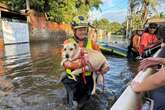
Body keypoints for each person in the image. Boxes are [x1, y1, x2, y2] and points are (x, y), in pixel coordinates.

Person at [61, 16, 109, 108]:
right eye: (79, 29)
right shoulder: (68, 42)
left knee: (85, 102)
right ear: (74, 30)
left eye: (84, 29)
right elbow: (65, 62)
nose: (82, 32)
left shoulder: (92, 43)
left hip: (89, 78)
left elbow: (100, 57)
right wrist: (79, 63)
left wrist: (103, 68)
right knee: (71, 104)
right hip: (73, 79)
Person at [131, 25, 165, 110]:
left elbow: (159, 80)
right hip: (141, 54)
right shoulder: (142, 36)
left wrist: (137, 87)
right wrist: (159, 60)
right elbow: (139, 47)